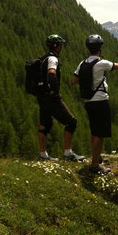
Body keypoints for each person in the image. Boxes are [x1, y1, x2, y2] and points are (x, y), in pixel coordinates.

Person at [72, 34, 118, 174]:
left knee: (94, 131)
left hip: (89, 102)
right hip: (101, 101)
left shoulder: (82, 63)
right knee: (100, 133)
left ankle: (96, 157)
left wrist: (88, 80)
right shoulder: (101, 63)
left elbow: (74, 80)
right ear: (100, 48)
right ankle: (95, 165)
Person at [36, 34, 84, 162]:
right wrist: (55, 92)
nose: (61, 47)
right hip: (51, 97)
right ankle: (68, 154)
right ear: (56, 46)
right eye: (60, 44)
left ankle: (43, 155)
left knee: (44, 125)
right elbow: (51, 73)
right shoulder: (53, 59)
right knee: (71, 122)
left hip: (41, 96)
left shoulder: (43, 59)